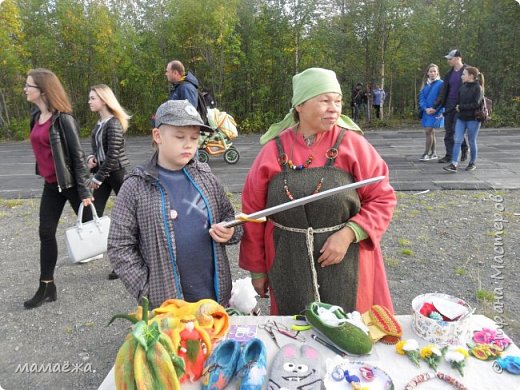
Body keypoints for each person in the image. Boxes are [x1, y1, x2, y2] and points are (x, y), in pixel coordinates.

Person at [239, 68, 396, 316]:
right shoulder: (272, 152)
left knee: (349, 334)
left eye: (338, 100)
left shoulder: (353, 146)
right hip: (288, 263)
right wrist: (257, 270)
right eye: (324, 100)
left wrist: (348, 234)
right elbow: (253, 214)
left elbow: (382, 198)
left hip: (347, 261)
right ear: (300, 105)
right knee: (296, 337)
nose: (334, 108)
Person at [108, 100, 243, 309]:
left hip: (215, 299)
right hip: (167, 305)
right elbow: (119, 246)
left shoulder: (206, 177)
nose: (188, 144)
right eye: (180, 137)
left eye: (195, 137)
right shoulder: (136, 186)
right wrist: (147, 290)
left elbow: (231, 219)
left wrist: (230, 232)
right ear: (157, 136)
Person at [24, 68, 93, 309]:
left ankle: (131, 265)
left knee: (95, 229)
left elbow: (77, 155)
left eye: (28, 85)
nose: (25, 89)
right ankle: (47, 286)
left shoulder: (64, 119)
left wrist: (85, 192)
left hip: (72, 185)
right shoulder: (35, 116)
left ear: (42, 90)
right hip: (52, 185)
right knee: (45, 232)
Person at [86, 84, 131, 280]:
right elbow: (100, 151)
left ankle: (124, 263)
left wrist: (97, 177)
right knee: (92, 210)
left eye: (92, 98)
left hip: (116, 173)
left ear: (104, 100)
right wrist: (91, 158)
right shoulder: (99, 124)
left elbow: (113, 156)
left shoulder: (113, 124)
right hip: (104, 172)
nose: (89, 101)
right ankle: (90, 248)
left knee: (125, 220)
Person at [443, 67, 484, 173]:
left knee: (471, 141)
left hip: (473, 119)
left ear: (471, 76)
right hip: (461, 118)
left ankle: (472, 163)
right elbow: (457, 103)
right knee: (457, 140)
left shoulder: (478, 88)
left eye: (464, 74)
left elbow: (476, 104)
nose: (462, 76)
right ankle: (454, 164)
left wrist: (461, 107)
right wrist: (446, 112)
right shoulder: (463, 87)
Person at [433, 49, 469, 163]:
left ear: (458, 58)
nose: (448, 60)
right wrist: (435, 106)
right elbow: (443, 91)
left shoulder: (468, 71)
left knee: (457, 130)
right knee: (448, 131)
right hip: (449, 104)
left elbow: (474, 88)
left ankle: (464, 149)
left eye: (450, 58)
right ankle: (449, 155)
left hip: (461, 106)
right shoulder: (449, 74)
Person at [418, 64, 444, 161]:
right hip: (426, 112)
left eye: (434, 71)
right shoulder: (425, 84)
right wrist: (425, 109)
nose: (432, 73)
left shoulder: (441, 83)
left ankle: (426, 153)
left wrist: (436, 109)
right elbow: (421, 98)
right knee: (431, 132)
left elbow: (442, 98)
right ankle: (434, 153)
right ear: (427, 73)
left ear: (437, 72)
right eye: (431, 71)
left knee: (428, 131)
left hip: (436, 111)